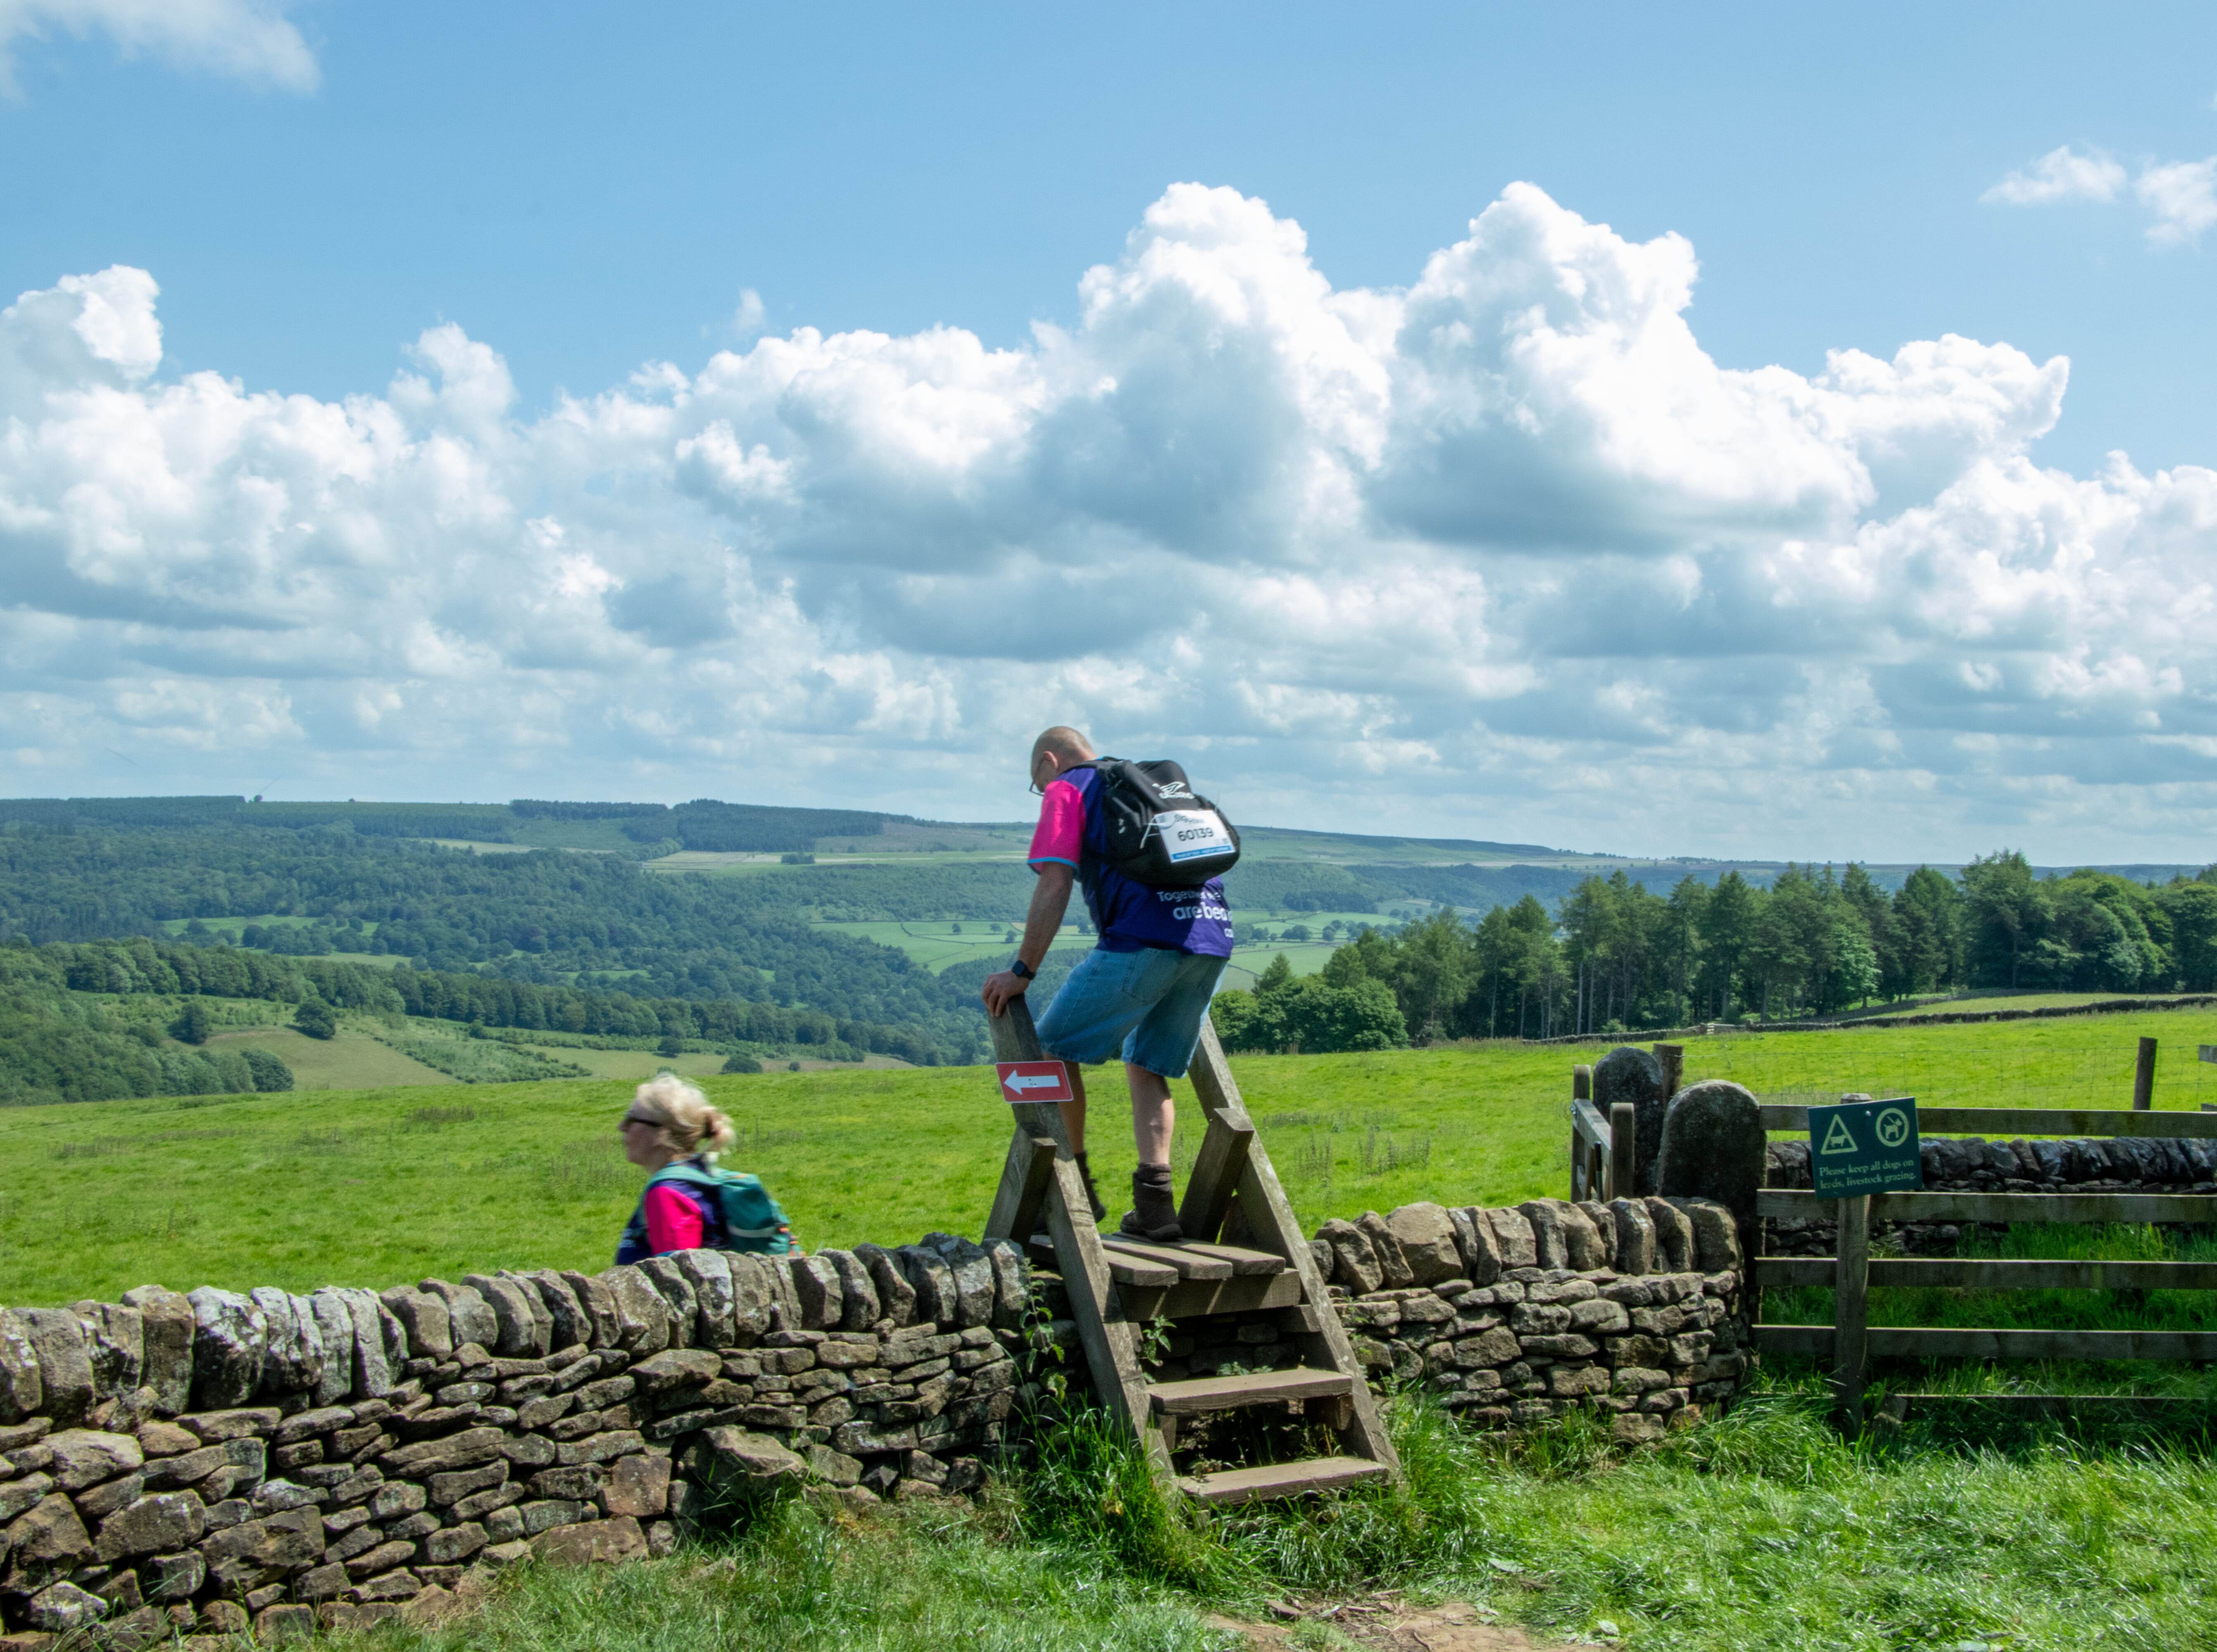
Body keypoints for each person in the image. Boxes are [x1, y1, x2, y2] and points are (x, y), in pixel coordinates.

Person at [980, 726, 1233, 1240]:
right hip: (1211, 935)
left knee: (1047, 1053)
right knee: (1148, 1065)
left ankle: (1076, 1197)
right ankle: (1156, 1210)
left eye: (1037, 782)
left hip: (1142, 939)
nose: (1040, 792)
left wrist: (1023, 970)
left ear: (1050, 761)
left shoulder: (1067, 789)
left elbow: (1055, 882)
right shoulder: (1147, 785)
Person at [614, 1073, 798, 1262]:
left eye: (631, 1119)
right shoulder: (699, 1178)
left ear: (660, 1134)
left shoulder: (667, 1195)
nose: (622, 1127)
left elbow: (678, 1281)